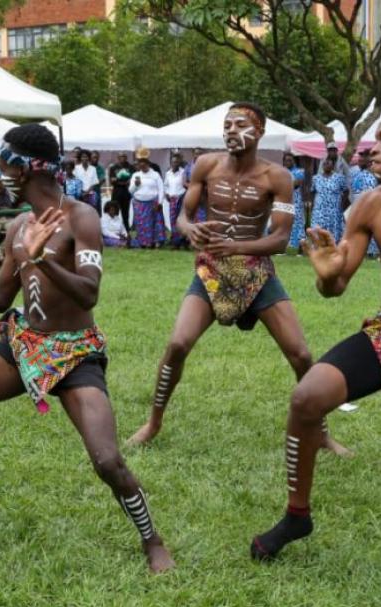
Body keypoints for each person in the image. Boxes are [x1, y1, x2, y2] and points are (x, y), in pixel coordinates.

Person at [0, 123, 174, 574]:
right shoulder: (18, 224)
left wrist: (41, 258)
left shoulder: (81, 218)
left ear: (28, 167)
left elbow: (89, 294)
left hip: (75, 354)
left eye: (2, 162)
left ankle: (152, 541)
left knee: (107, 460)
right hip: (24, 345)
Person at [127, 102, 348, 458]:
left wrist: (236, 245)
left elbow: (279, 238)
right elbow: (183, 216)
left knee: (301, 354)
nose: (231, 130)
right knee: (178, 344)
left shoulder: (277, 178)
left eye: (240, 124)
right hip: (211, 272)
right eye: (226, 124)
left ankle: (321, 433)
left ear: (259, 131)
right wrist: (190, 229)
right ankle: (153, 422)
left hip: (256, 273)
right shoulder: (206, 165)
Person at [251, 130, 381, 562]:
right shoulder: (368, 205)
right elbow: (336, 286)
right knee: (307, 397)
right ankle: (296, 515)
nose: (372, 150)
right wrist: (326, 273)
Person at [129, 148, 165, 249]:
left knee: (154, 224)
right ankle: (144, 242)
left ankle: (155, 242)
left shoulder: (155, 175)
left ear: (148, 163)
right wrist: (136, 185)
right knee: (142, 225)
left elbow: (161, 189)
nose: (142, 165)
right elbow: (131, 191)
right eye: (140, 163)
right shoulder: (136, 175)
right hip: (139, 204)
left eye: (144, 162)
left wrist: (160, 202)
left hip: (153, 203)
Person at [310, 158, 348, 244]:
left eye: (328, 163)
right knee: (318, 228)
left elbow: (346, 190)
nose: (326, 164)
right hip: (319, 210)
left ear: (333, 166)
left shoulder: (339, 178)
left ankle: (334, 248)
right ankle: (318, 248)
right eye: (324, 163)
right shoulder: (315, 178)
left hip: (334, 210)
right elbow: (312, 191)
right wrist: (313, 205)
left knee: (334, 230)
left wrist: (342, 203)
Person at [283, 153, 306, 251]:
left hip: (296, 201)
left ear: (294, 161)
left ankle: (299, 246)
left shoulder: (299, 171)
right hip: (284, 201)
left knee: (297, 223)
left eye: (290, 160)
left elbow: (296, 184)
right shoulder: (281, 172)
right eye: (286, 160)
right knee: (284, 222)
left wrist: (282, 184)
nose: (288, 162)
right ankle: (284, 245)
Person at [164, 153, 187, 249]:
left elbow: (186, 185)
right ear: (170, 162)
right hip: (172, 200)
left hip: (181, 199)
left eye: (177, 162)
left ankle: (183, 241)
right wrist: (166, 194)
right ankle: (175, 242)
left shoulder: (183, 172)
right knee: (173, 221)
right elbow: (165, 185)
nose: (175, 163)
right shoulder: (167, 173)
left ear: (180, 163)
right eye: (173, 162)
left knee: (181, 221)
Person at [108, 153, 134, 232]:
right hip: (117, 191)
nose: (123, 158)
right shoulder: (113, 167)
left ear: (126, 158)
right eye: (121, 157)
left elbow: (132, 178)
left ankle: (126, 230)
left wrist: (118, 180)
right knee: (114, 211)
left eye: (124, 156)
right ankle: (114, 229)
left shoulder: (130, 167)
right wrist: (122, 181)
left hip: (126, 192)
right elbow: (111, 180)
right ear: (118, 158)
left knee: (126, 212)